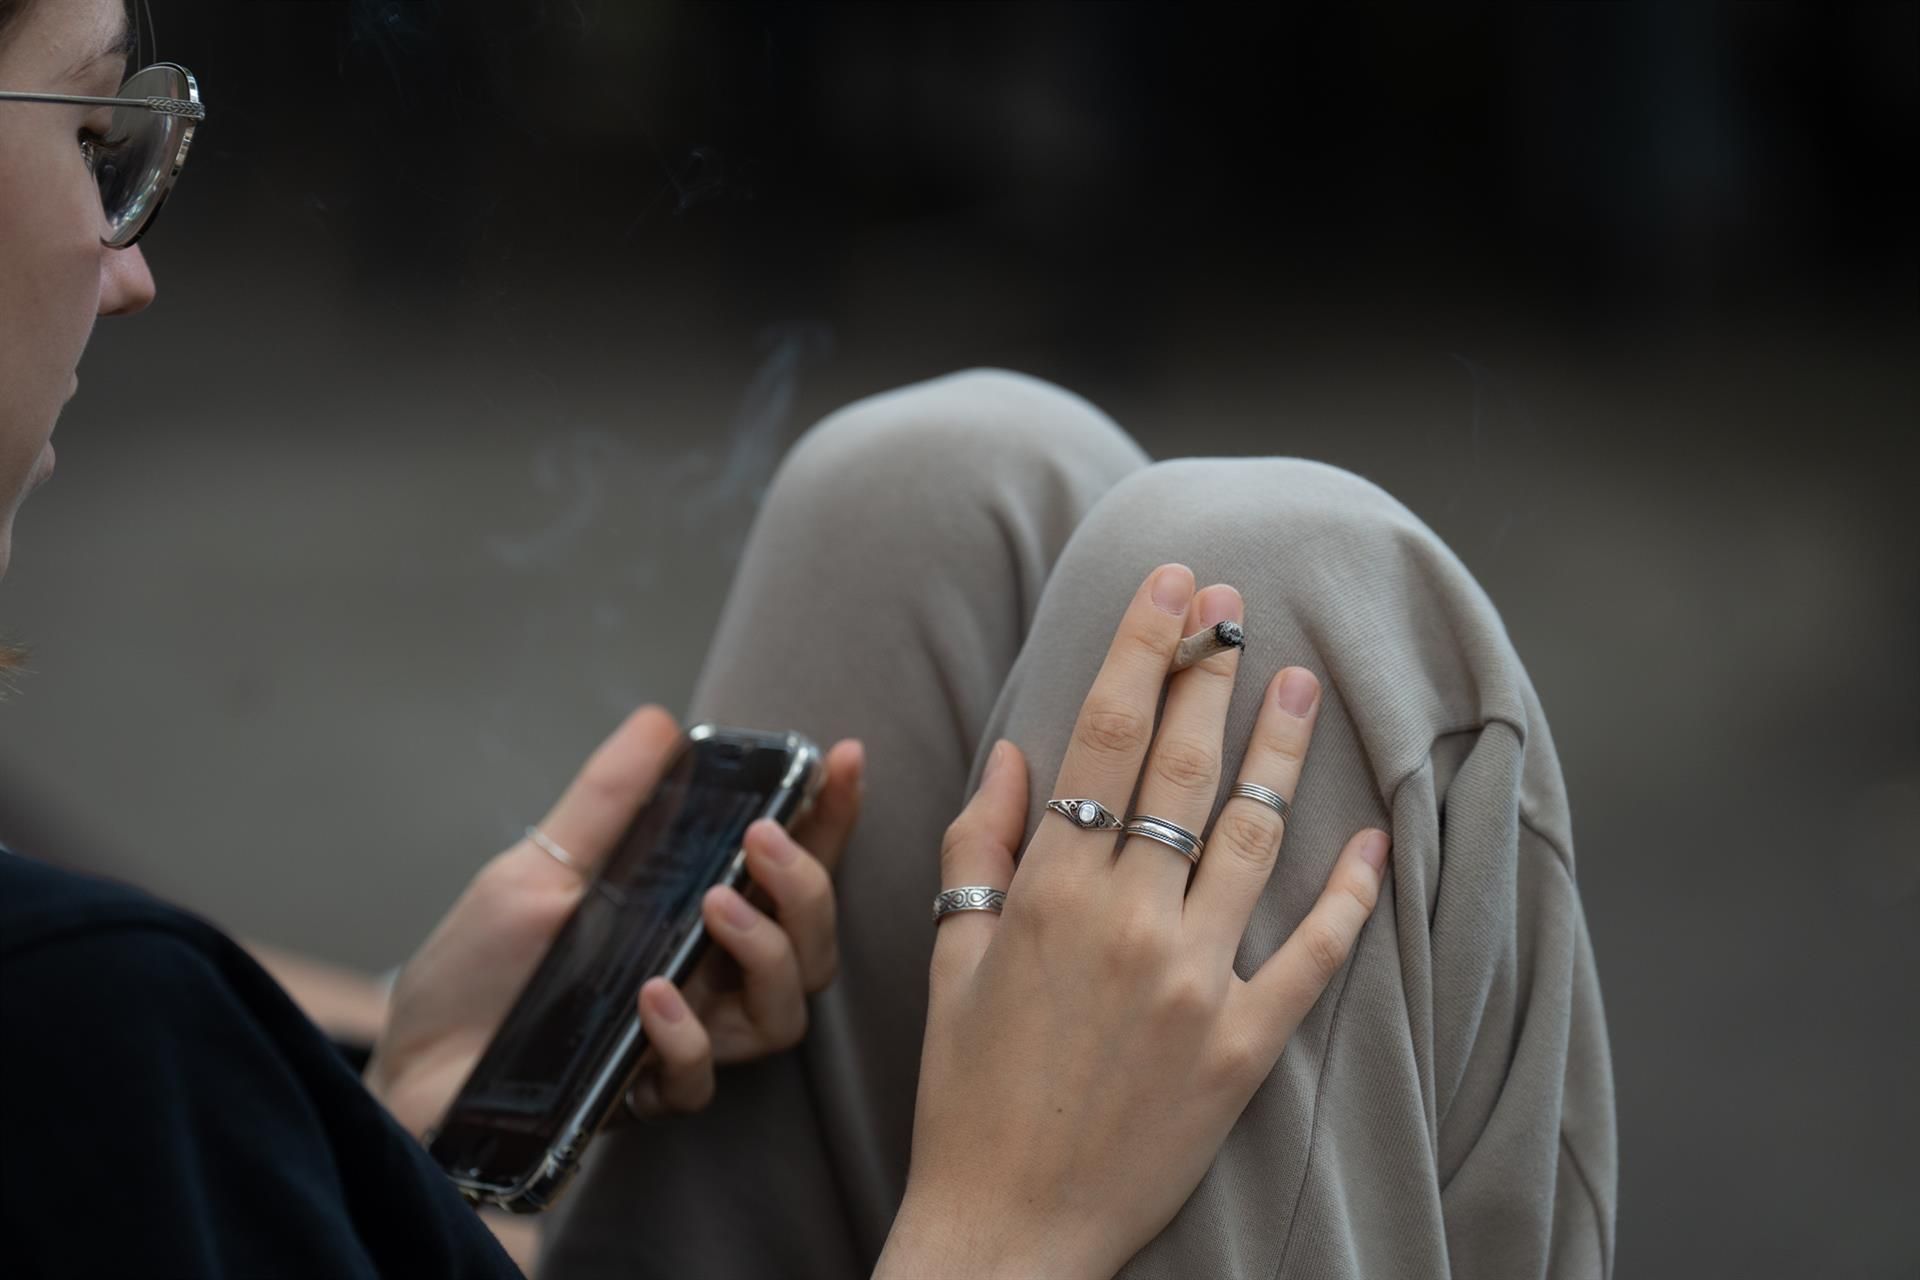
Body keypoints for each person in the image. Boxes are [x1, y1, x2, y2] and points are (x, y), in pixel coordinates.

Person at [0, 3, 1450, 1277]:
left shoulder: (116, 1027)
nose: (132, 268)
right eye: (94, 135)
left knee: (934, 483)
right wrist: (1014, 1215)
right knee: (1287, 573)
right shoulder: (85, 1025)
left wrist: (394, 1123)